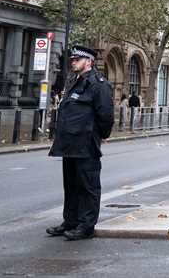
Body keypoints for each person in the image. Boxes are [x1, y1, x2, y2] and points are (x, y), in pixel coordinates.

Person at [46, 45, 114, 241]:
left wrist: (100, 136)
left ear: (89, 62)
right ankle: (71, 221)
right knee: (71, 185)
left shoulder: (98, 84)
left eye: (77, 59)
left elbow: (106, 115)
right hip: (69, 144)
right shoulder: (73, 81)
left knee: (88, 186)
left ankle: (86, 225)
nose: (73, 61)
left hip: (86, 143)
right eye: (72, 59)